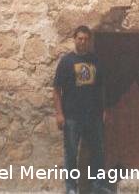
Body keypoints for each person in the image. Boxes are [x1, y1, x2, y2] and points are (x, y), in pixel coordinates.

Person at [54, 25, 106, 194]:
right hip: (72, 117)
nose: (82, 42)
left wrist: (103, 110)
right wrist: (59, 113)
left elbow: (101, 88)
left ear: (89, 41)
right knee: (71, 154)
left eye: (85, 39)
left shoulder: (96, 61)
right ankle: (71, 188)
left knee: (97, 152)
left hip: (93, 117)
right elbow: (56, 89)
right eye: (80, 38)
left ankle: (96, 187)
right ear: (74, 39)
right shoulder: (66, 61)